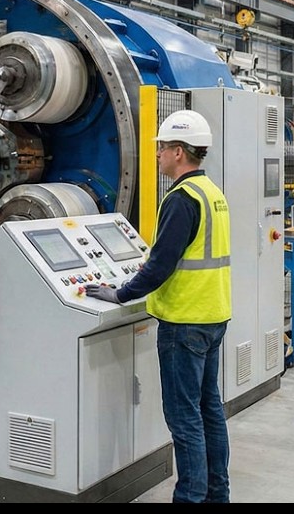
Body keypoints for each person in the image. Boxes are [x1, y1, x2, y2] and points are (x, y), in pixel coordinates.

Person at [85, 109, 231, 504]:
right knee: (209, 411)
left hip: (184, 322)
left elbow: (160, 266)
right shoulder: (213, 194)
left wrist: (119, 293)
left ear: (180, 152)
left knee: (185, 420)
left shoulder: (181, 199)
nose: (157, 155)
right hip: (213, 315)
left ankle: (191, 497)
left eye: (162, 148)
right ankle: (218, 494)